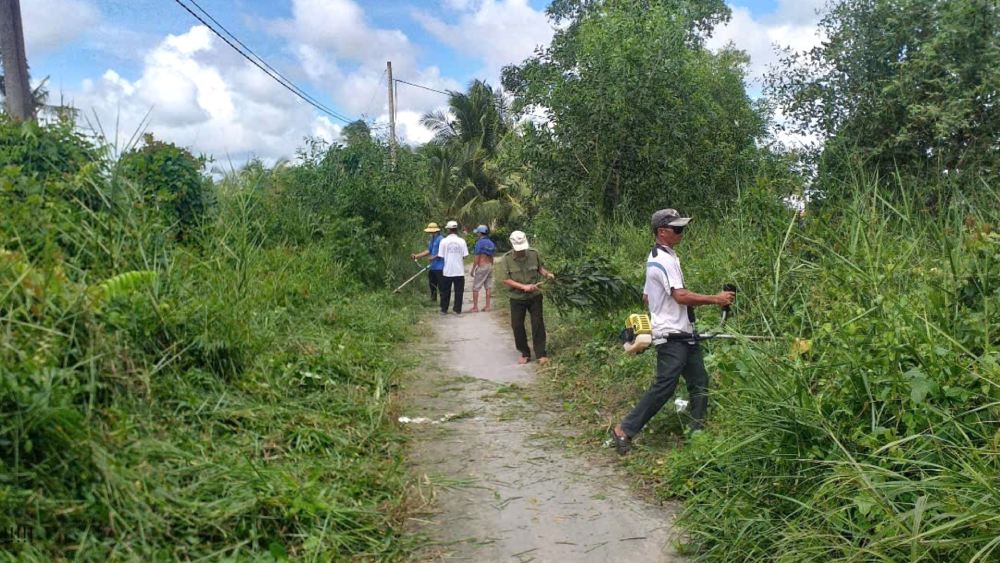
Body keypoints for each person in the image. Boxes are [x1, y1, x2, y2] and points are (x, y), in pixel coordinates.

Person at [610, 209, 735, 455]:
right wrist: (716, 299)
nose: (681, 233)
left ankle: (696, 433)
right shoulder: (662, 260)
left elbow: (647, 297)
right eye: (677, 229)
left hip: (684, 332)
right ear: (661, 232)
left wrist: (661, 309)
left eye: (682, 228)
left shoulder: (664, 256)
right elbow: (680, 296)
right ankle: (624, 430)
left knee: (700, 382)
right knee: (665, 386)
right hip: (671, 335)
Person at [495, 231, 555, 364]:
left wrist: (547, 274)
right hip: (517, 297)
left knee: (538, 323)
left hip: (535, 296)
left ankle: (541, 353)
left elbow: (540, 268)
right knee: (517, 325)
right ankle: (524, 352)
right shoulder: (506, 259)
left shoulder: (534, 254)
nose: (521, 251)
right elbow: (505, 279)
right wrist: (523, 287)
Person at [436, 220, 469, 315]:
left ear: (448, 230)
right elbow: (465, 255)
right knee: (459, 291)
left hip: (447, 271)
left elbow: (441, 256)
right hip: (459, 271)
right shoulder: (462, 241)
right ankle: (457, 309)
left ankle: (444, 309)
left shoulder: (444, 241)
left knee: (445, 291)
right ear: (456, 229)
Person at [410, 222, 444, 302]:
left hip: (440, 266)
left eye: (431, 231)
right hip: (433, 266)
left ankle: (444, 301)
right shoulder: (433, 239)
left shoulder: (441, 239)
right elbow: (429, 250)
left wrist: (434, 257)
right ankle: (433, 299)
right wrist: (417, 256)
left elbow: (443, 252)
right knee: (432, 283)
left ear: (435, 231)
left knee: (441, 285)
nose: (430, 233)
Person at [470, 225, 496, 313]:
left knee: (476, 287)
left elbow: (477, 258)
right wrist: (491, 265)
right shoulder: (491, 243)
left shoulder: (479, 243)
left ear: (480, 233)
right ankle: (488, 306)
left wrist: (473, 269)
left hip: (482, 266)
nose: (477, 234)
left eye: (477, 232)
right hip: (489, 265)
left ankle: (475, 307)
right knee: (488, 287)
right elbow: (492, 256)